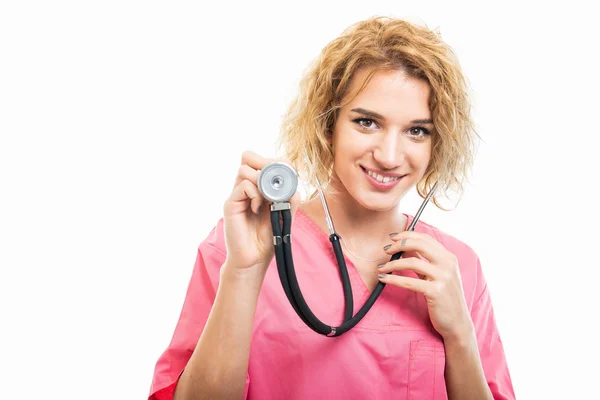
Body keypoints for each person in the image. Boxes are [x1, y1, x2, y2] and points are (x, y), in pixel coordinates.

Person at [148, 16, 515, 400]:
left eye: (417, 130)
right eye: (367, 122)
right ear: (328, 125)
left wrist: (460, 334)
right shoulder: (241, 245)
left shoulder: (458, 267)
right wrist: (245, 271)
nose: (389, 156)